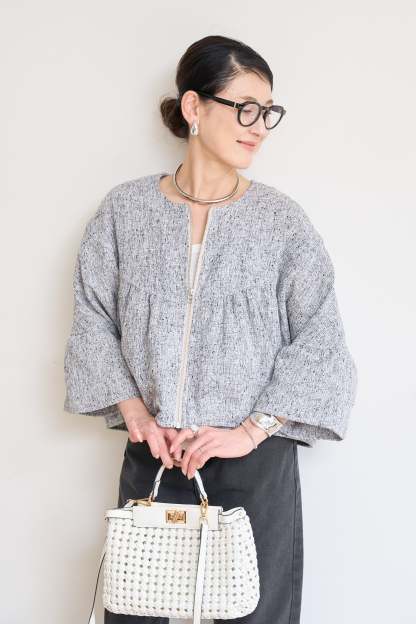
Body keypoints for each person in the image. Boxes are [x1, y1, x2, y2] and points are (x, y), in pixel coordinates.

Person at [63, 35, 358, 624]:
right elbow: (93, 317)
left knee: (256, 614)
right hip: (155, 457)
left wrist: (248, 432)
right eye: (245, 108)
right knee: (133, 609)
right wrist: (137, 415)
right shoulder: (125, 212)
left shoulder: (281, 222)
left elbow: (322, 342)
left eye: (268, 112)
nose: (260, 127)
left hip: (253, 465)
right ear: (194, 106)